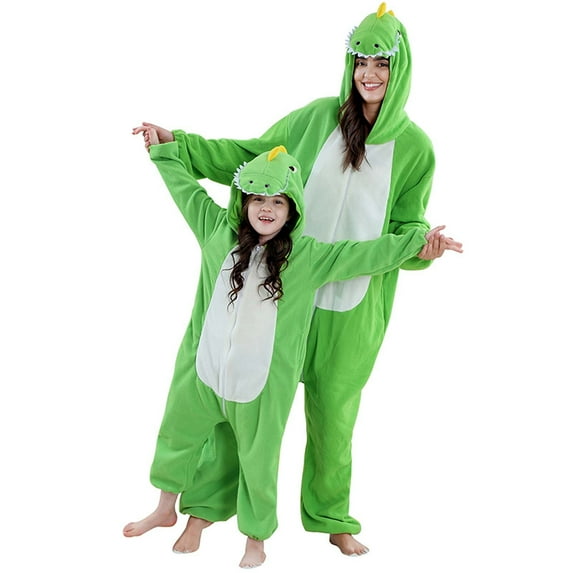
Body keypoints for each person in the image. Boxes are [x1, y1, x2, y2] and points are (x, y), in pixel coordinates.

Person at [131, 2, 463, 557]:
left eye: (381, 62)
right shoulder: (313, 119)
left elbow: (407, 227)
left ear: (400, 67)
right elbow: (247, 159)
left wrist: (421, 249)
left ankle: (333, 519)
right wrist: (180, 144)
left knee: (334, 419)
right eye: (361, 61)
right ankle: (204, 510)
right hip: (278, 296)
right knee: (238, 398)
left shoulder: (416, 149)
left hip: (352, 310)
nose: (369, 73)